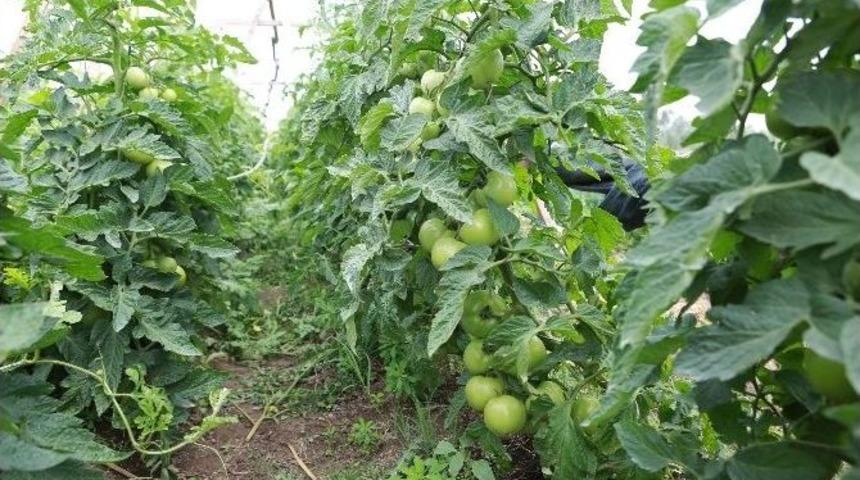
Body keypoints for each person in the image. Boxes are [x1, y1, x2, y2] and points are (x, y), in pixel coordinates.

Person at [555, 160, 650, 231]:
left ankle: (551, 159)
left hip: (644, 185)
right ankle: (549, 157)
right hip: (644, 177)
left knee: (576, 171)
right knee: (575, 172)